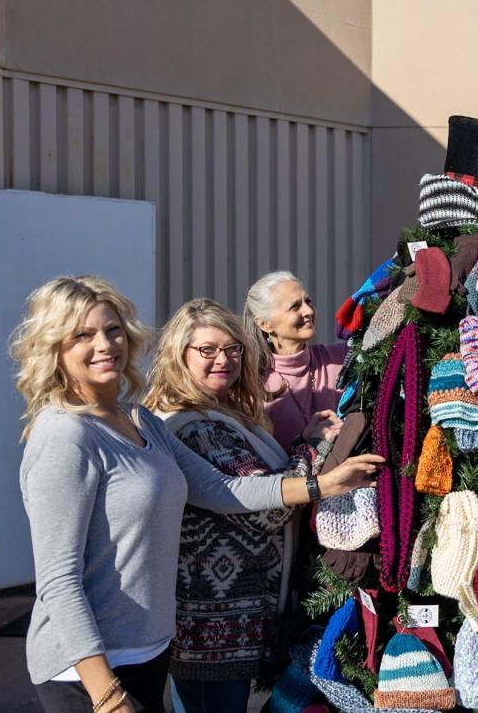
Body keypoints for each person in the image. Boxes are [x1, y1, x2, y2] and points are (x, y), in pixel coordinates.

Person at [14, 276, 382, 713]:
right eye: (83, 335)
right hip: (87, 669)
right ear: (54, 347)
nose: (104, 344)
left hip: (147, 649)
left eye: (112, 330)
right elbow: (58, 581)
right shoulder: (65, 434)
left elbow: (219, 490)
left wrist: (324, 484)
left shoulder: (140, 420)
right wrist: (107, 695)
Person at [144, 298, 378, 713]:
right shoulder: (194, 426)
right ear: (179, 356)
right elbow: (266, 503)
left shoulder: (220, 414)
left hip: (231, 621)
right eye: (207, 350)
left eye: (232, 349)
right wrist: (311, 451)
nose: (223, 359)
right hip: (214, 626)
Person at [245, 271, 347, 450]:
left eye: (308, 302)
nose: (308, 311)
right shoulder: (252, 383)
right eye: (295, 306)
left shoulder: (342, 357)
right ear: (264, 324)